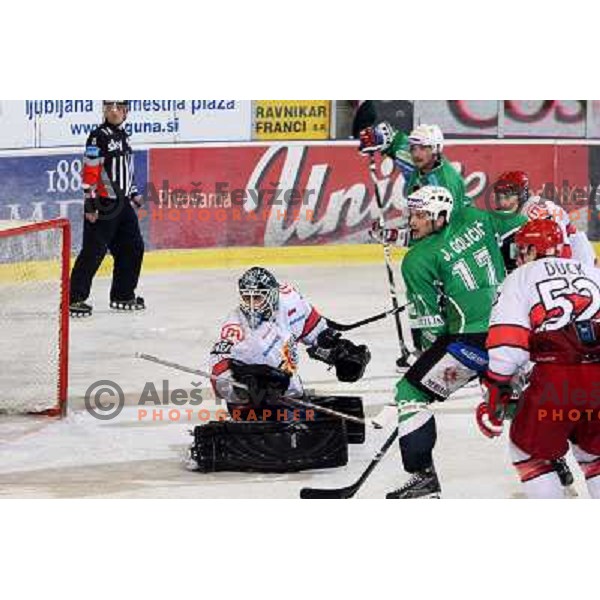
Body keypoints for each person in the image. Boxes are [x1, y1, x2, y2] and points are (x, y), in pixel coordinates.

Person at [385, 185, 526, 499]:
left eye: (420, 215)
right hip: (514, 332)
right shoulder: (477, 219)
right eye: (412, 214)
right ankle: (556, 459)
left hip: (471, 344)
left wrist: (422, 363)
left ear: (439, 216)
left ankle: (423, 481)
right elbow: (519, 226)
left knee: (409, 392)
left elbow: (430, 326)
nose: (412, 222)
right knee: (513, 399)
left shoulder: (416, 260)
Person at [185, 266, 371, 473]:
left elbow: (315, 330)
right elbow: (218, 366)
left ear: (273, 294)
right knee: (287, 428)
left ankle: (294, 418)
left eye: (258, 298)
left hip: (289, 393)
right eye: (247, 298)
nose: (252, 305)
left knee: (302, 418)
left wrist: (338, 352)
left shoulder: (289, 300)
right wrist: (242, 389)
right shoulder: (235, 325)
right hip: (253, 404)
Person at [477, 219, 600, 499]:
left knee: (528, 454)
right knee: (594, 456)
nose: (519, 257)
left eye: (522, 250)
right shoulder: (593, 272)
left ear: (534, 250)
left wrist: (495, 394)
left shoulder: (520, 277)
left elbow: (508, 343)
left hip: (556, 381)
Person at [69, 100, 145, 317]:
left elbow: (126, 169)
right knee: (94, 251)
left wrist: (132, 192)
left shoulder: (124, 135)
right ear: (104, 110)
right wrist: (90, 203)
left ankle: (122, 294)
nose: (113, 110)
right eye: (109, 106)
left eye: (119, 106)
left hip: (123, 203)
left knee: (133, 247)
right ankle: (73, 298)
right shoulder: (97, 135)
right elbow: (90, 170)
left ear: (126, 111)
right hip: (103, 203)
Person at [493, 170, 596, 272]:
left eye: (507, 196)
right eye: (499, 196)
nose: (503, 202)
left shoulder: (537, 210)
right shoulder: (516, 213)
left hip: (575, 252)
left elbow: (562, 249)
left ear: (521, 194)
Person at [359, 121, 470, 214]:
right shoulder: (417, 158)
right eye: (413, 148)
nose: (416, 154)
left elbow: (449, 227)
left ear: (435, 149)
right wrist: (378, 136)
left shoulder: (445, 184)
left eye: (423, 148)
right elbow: (395, 141)